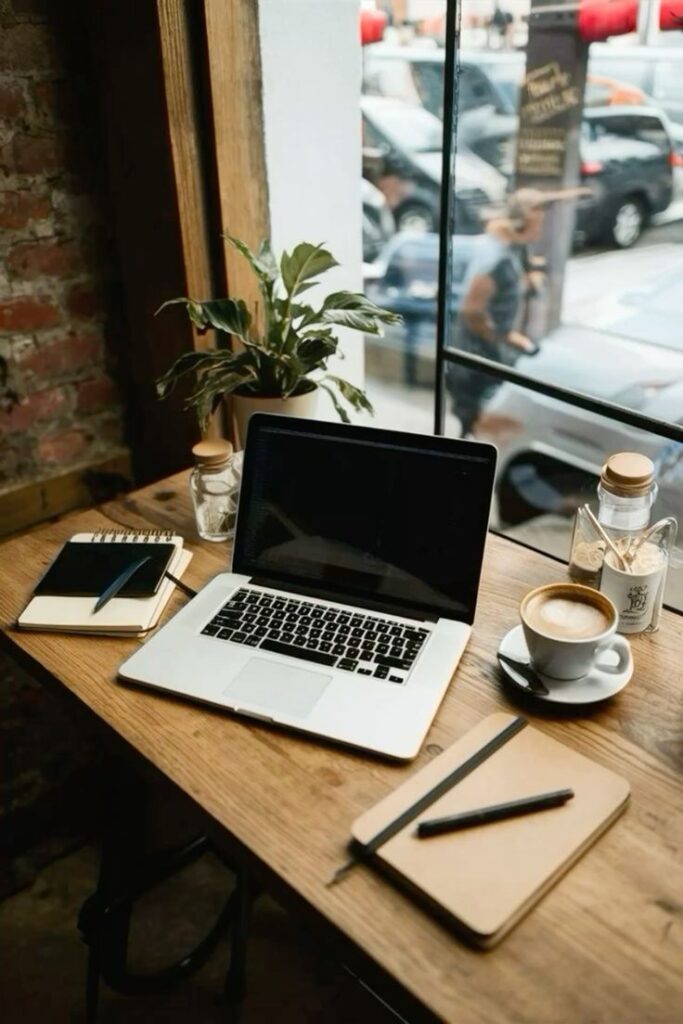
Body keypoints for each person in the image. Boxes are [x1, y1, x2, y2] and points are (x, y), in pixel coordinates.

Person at [447, 188, 551, 436]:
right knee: (480, 425)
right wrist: (502, 337)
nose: (539, 232)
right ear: (520, 224)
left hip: (492, 353)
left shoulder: (515, 247)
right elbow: (472, 310)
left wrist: (531, 278)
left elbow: (518, 275)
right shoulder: (495, 256)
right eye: (537, 225)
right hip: (476, 358)